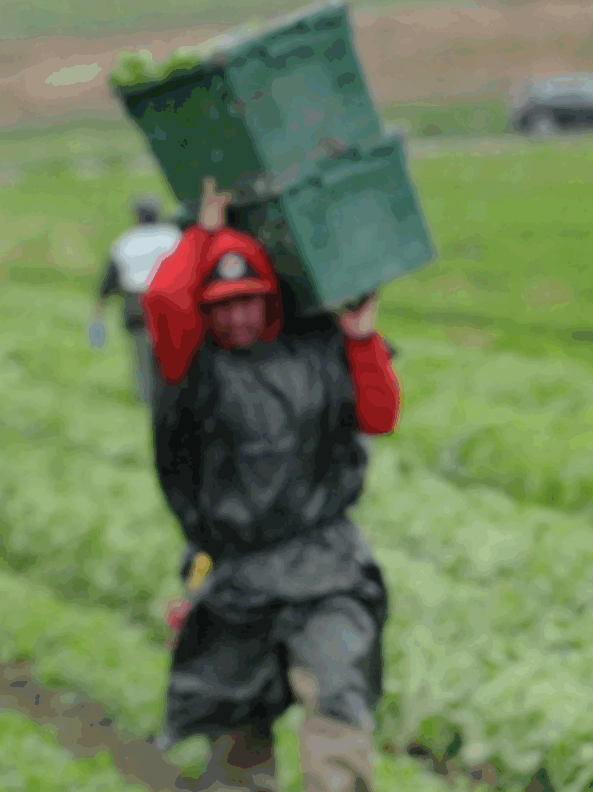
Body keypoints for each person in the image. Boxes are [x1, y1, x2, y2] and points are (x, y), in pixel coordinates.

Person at [145, 176, 400, 792]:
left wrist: (363, 338)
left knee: (339, 694)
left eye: (248, 300)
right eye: (221, 304)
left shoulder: (320, 347)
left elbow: (380, 416)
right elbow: (164, 302)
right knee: (236, 733)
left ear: (271, 299)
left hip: (326, 564)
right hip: (237, 573)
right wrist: (204, 235)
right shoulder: (194, 371)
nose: (235, 315)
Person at [92, 196, 182, 405]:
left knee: (142, 355)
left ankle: (148, 399)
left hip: (136, 305)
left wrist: (99, 308)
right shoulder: (173, 237)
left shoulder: (125, 242)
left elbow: (109, 279)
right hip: (169, 301)